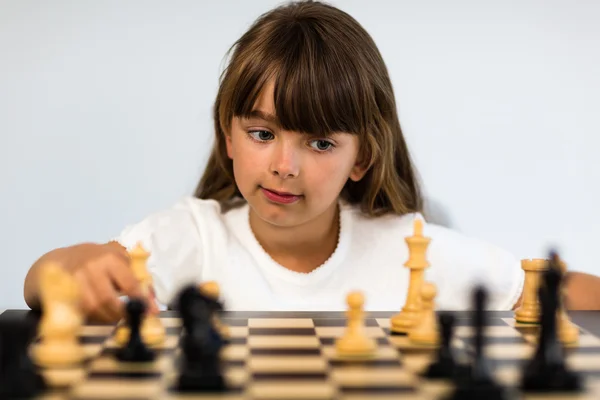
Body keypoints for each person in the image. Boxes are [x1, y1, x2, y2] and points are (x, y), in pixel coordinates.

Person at [23, 0, 600, 323]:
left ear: (362, 158)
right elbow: (44, 281)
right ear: (227, 136)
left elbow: (553, 289)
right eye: (261, 132)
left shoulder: (405, 246)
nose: (284, 165)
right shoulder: (190, 238)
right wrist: (81, 267)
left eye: (320, 142)